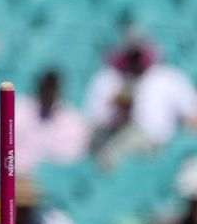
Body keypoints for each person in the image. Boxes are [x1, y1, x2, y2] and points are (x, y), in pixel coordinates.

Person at [84, 34, 197, 170]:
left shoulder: (168, 77)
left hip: (154, 139)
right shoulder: (118, 78)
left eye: (137, 55)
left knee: (111, 154)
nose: (134, 60)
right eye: (131, 56)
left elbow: (191, 114)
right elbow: (100, 116)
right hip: (121, 132)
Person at [0, 69, 90, 177]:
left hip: (46, 180)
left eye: (52, 90)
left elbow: (72, 156)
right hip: (11, 172)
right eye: (46, 89)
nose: (49, 94)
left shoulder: (72, 120)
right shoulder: (17, 108)